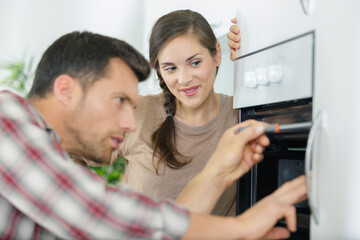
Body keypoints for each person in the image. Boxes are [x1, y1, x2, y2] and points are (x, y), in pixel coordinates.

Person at [0, 31, 307, 239]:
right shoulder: (6, 121)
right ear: (66, 90)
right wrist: (241, 227)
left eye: (195, 62)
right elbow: (103, 216)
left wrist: (218, 173)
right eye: (119, 101)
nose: (130, 123)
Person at [119, 9, 240, 216]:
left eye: (195, 63)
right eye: (170, 68)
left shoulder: (241, 114)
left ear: (217, 54)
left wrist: (257, 47)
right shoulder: (136, 112)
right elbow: (69, 146)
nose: (184, 79)